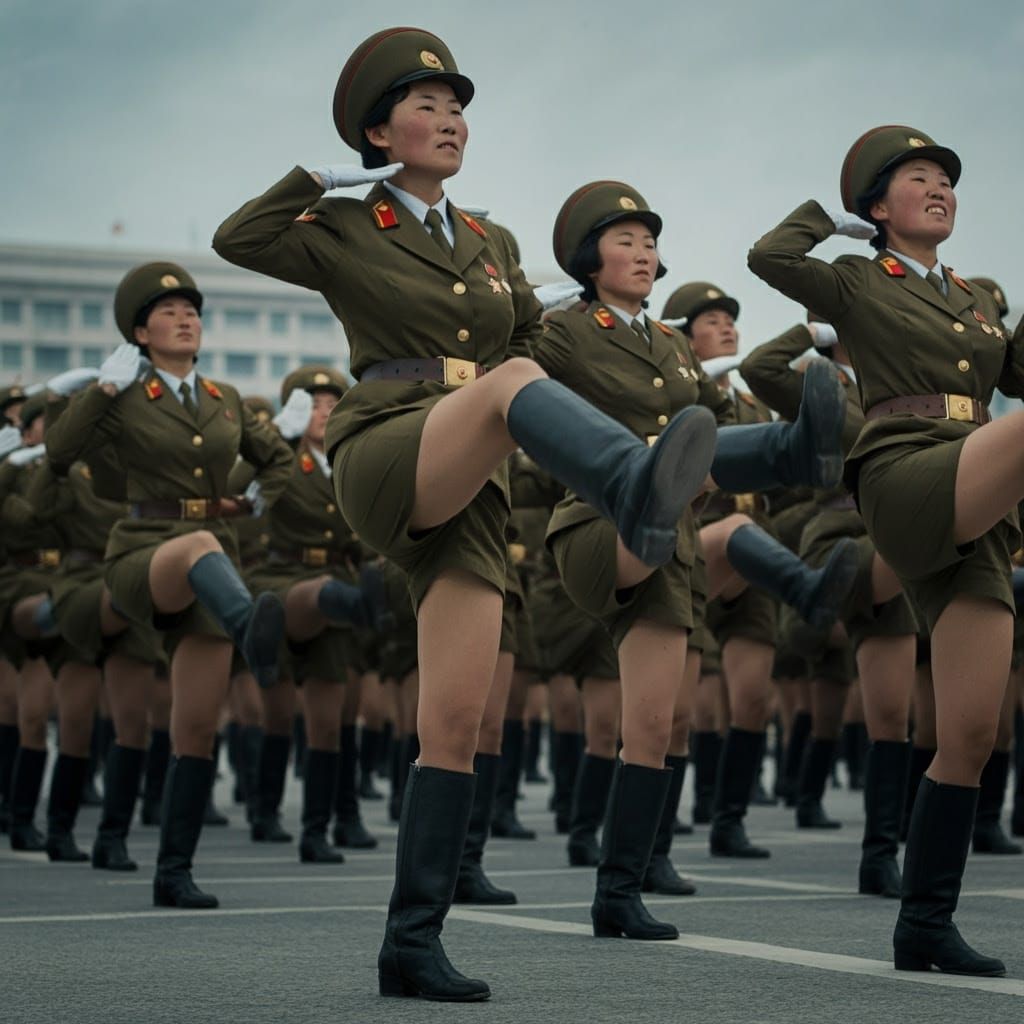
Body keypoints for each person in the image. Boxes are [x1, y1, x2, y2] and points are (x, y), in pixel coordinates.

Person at [213, 27, 720, 1002]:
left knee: (452, 717)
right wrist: (322, 176)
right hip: (392, 434)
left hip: (474, 473)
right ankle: (631, 488)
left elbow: (532, 338)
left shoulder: (493, 244)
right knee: (514, 383)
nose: (448, 121)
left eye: (456, 107)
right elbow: (239, 239)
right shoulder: (348, 221)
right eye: (424, 106)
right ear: (376, 129)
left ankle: (412, 940)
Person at [749, 124, 1015, 977]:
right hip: (903, 467)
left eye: (946, 179)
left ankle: (924, 924)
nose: (939, 188)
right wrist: (840, 221)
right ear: (879, 204)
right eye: (917, 178)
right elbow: (769, 257)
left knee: (970, 729)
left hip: (976, 488)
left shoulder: (977, 297)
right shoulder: (860, 279)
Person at [45, 262, 294, 908]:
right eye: (168, 311)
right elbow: (58, 453)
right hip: (144, 551)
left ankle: (174, 872)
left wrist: (255, 494)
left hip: (214, 566)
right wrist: (101, 390)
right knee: (197, 548)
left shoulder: (223, 399)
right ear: (138, 332)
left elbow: (281, 460)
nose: (186, 318)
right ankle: (252, 630)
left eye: (192, 309)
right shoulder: (123, 393)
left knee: (195, 726)